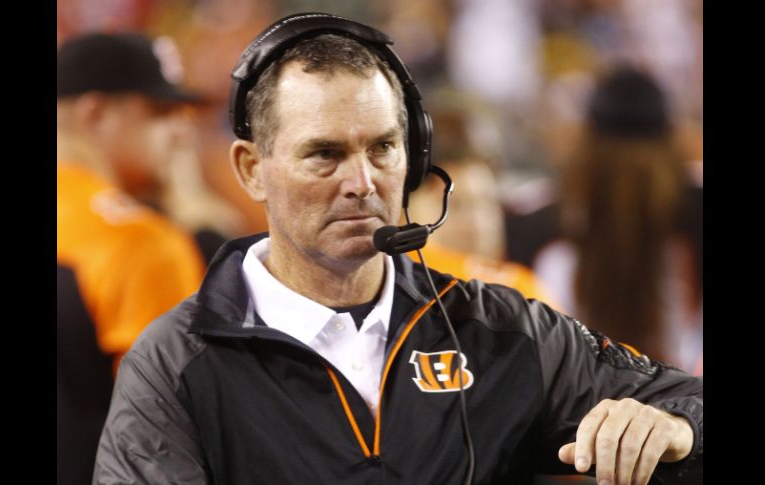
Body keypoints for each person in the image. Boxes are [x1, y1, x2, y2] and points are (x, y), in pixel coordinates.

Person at [94, 14, 702, 485]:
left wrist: (677, 426)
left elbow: (687, 398)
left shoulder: (501, 328)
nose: (363, 182)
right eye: (325, 154)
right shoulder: (176, 363)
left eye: (383, 148)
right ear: (252, 169)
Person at [57, 32, 206, 485]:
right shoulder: (141, 243)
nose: (181, 133)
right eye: (159, 112)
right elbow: (166, 437)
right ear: (95, 113)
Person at [532, 65, 702, 373]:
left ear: (587, 138)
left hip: (584, 388)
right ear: (673, 137)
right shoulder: (555, 222)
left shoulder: (547, 219)